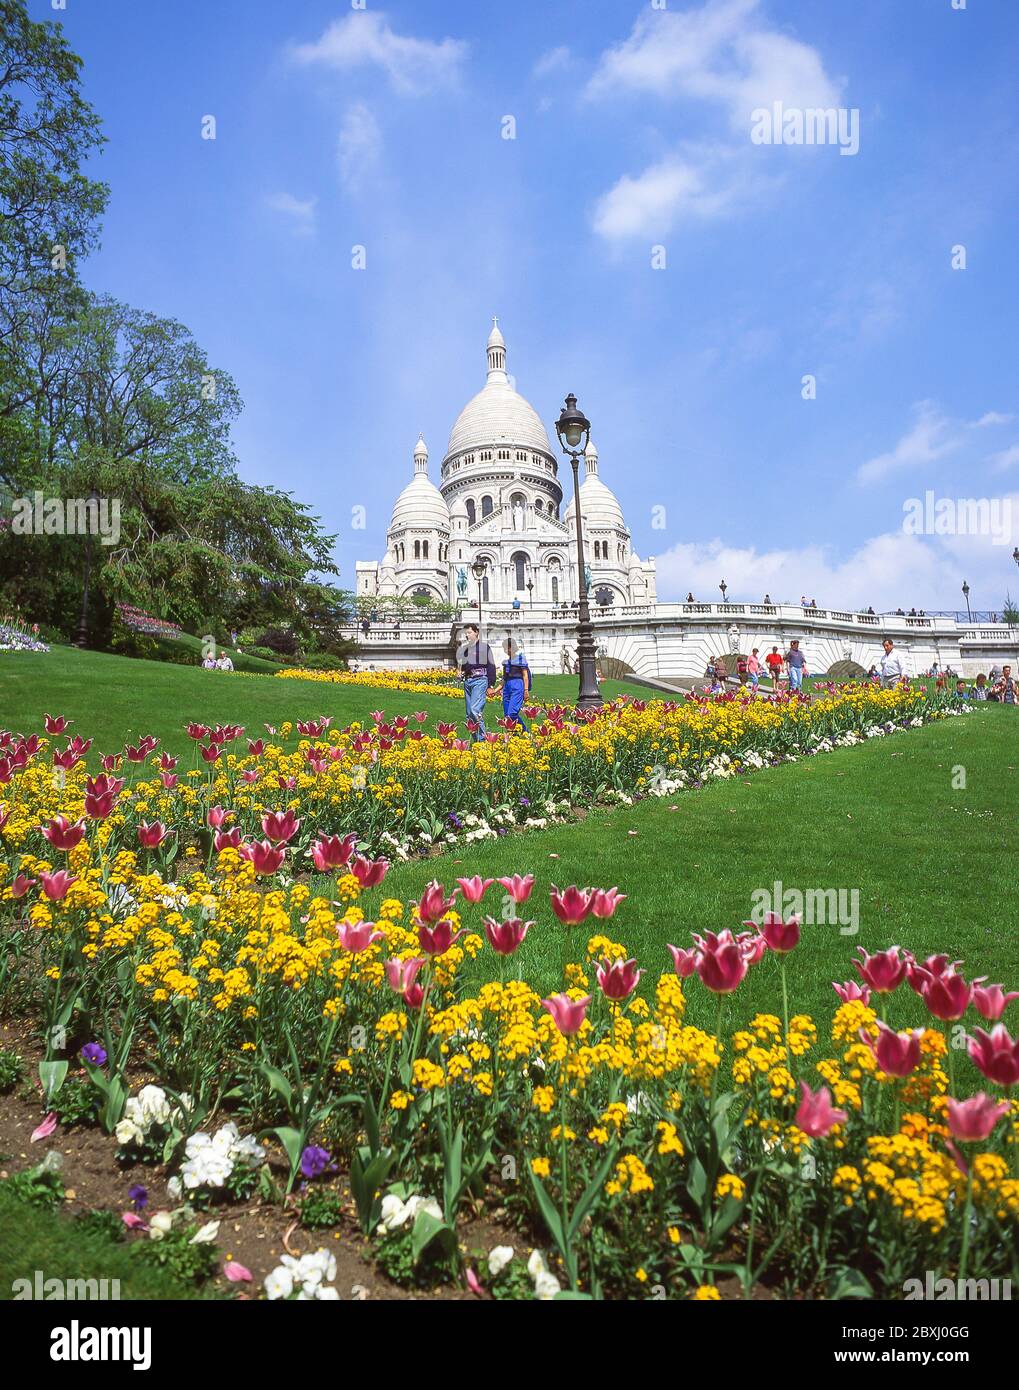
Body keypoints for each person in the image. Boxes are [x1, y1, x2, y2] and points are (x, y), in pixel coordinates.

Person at [456, 623, 496, 741]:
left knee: (475, 710)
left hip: (480, 680)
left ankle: (484, 740)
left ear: (476, 632)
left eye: (469, 633)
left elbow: (491, 666)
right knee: (469, 714)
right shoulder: (466, 649)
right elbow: (463, 667)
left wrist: (490, 685)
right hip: (468, 681)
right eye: (466, 633)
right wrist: (459, 673)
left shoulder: (484, 647)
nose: (467, 635)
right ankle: (477, 741)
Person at [500, 638, 531, 730]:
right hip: (507, 688)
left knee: (512, 713)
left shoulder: (521, 660)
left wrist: (526, 690)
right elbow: (504, 679)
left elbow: (525, 675)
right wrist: (495, 690)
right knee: (507, 716)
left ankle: (525, 731)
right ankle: (514, 733)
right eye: (505, 648)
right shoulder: (506, 663)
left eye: (507, 648)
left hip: (517, 686)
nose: (506, 650)